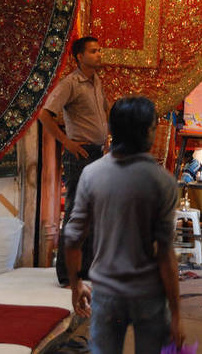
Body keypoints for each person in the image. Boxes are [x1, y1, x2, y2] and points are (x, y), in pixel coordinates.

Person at [64, 96, 183, 354]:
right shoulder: (162, 181)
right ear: (146, 133)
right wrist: (176, 313)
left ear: (111, 130)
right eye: (153, 127)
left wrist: (76, 284)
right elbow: (165, 253)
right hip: (148, 296)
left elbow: (73, 237)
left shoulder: (92, 174)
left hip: (107, 294)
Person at [38, 36, 109, 285]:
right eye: (93, 51)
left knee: (92, 212)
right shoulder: (71, 83)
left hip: (96, 153)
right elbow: (45, 115)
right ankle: (67, 274)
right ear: (80, 57)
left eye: (99, 50)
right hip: (79, 155)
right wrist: (66, 142)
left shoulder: (97, 81)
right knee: (76, 213)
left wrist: (106, 138)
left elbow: (103, 111)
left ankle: (86, 269)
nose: (99, 54)